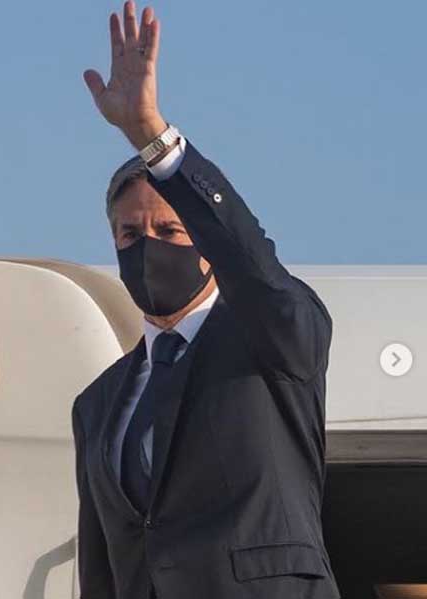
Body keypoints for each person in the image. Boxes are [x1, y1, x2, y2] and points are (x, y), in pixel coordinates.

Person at [71, 2, 341, 598]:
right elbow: (103, 567)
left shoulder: (270, 341)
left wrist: (152, 137)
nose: (147, 246)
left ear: (206, 243)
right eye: (130, 235)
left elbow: (252, 263)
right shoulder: (97, 403)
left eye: (169, 230)